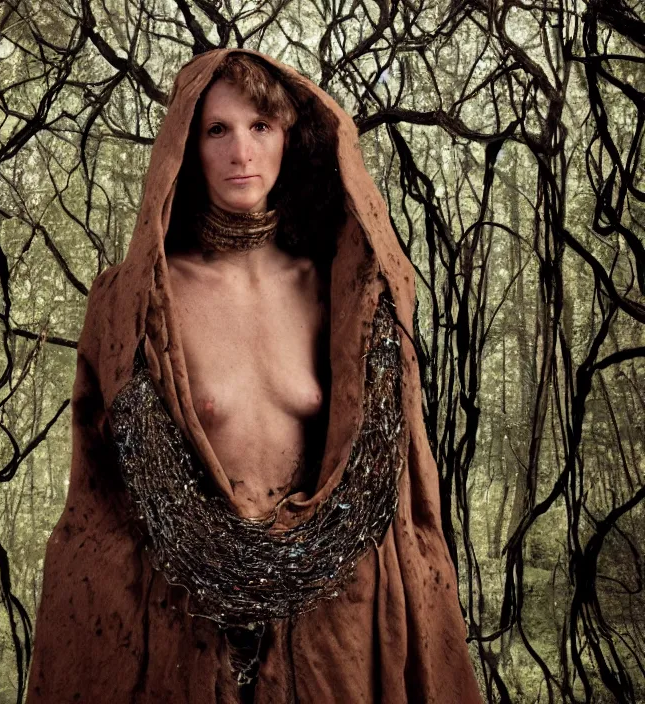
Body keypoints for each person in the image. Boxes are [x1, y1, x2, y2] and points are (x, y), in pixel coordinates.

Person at [26, 49, 484, 704]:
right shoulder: (134, 305)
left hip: (330, 627)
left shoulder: (340, 293)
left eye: (260, 127)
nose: (242, 151)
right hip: (186, 628)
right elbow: (98, 506)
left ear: (289, 140)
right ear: (188, 145)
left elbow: (400, 483)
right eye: (218, 130)